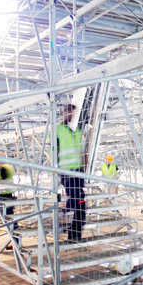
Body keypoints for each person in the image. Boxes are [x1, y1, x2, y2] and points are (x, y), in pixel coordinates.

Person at [57, 104, 86, 242]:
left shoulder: (77, 131)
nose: (71, 115)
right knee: (76, 200)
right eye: (69, 112)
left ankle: (75, 233)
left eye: (73, 113)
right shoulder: (58, 130)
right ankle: (65, 216)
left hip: (78, 171)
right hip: (67, 172)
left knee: (81, 201)